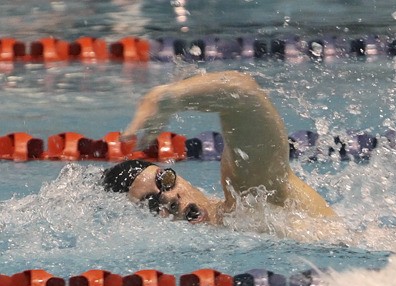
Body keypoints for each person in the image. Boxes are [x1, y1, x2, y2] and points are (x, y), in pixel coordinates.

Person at [102, 71, 336, 225]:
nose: (170, 198)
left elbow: (242, 94)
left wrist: (169, 98)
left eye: (165, 180)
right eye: (151, 203)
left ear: (182, 178)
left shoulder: (247, 197)